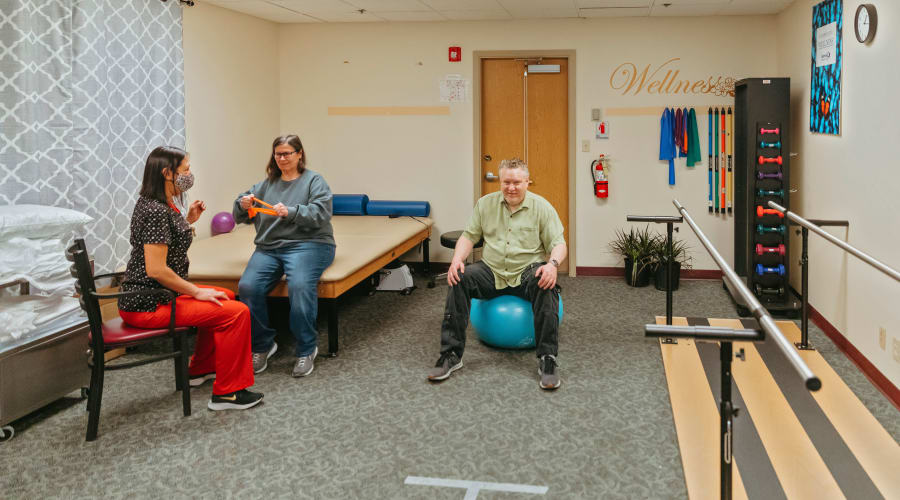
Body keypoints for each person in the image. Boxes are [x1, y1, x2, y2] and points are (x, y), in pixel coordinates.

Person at [118, 146, 263, 411]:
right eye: (185, 169)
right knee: (236, 312)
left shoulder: (160, 204)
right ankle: (228, 394)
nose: (190, 174)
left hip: (157, 294)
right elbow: (156, 270)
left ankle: (200, 369)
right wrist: (196, 292)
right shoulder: (155, 210)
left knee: (225, 296)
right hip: (148, 303)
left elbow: (164, 240)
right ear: (166, 173)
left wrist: (188, 220)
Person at [427, 158, 567, 390]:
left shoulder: (542, 207)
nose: (511, 187)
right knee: (459, 277)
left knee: (546, 281)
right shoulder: (485, 204)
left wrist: (552, 264)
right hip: (491, 270)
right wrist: (456, 261)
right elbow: (469, 236)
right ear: (500, 182)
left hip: (527, 270)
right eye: (506, 182)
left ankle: (548, 359)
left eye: (517, 182)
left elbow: (559, 244)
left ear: (527, 182)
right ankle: (451, 355)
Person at [234, 135, 335, 378]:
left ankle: (306, 349)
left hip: (308, 245)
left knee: (299, 285)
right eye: (278, 154)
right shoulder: (265, 185)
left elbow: (322, 214)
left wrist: (291, 212)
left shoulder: (314, 181)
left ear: (299, 154)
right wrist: (243, 204)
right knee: (247, 287)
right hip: (269, 248)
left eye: (287, 153)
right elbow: (238, 216)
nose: (282, 158)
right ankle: (262, 345)